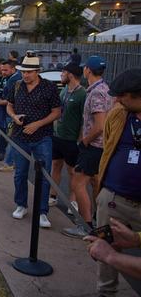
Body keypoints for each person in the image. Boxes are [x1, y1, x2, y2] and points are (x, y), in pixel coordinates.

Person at [88, 68, 141, 297]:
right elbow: (109, 143)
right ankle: (105, 294)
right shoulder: (119, 114)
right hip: (114, 197)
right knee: (106, 245)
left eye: (123, 96)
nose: (117, 99)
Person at [6, 56, 61, 228]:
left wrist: (38, 124)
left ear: (37, 71)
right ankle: (21, 204)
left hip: (42, 137)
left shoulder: (49, 88)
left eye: (29, 72)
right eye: (23, 72)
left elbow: (56, 112)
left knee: (44, 176)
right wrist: (14, 116)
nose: (25, 75)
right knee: (20, 173)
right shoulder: (17, 85)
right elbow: (9, 105)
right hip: (20, 136)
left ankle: (42, 211)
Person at [62, 56, 113, 239]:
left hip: (93, 146)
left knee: (78, 182)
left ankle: (86, 225)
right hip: (99, 147)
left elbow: (100, 124)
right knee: (94, 183)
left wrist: (85, 140)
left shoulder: (97, 92)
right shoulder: (105, 89)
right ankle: (98, 222)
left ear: (87, 71)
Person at [49, 62, 85, 211]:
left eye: (63, 72)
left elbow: (85, 119)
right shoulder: (64, 90)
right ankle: (53, 196)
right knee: (56, 166)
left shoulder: (82, 94)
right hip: (58, 136)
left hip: (72, 139)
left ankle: (73, 201)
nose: (61, 75)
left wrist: (81, 139)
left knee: (72, 172)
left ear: (70, 74)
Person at [0, 60, 22, 171]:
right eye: (2, 70)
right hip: (12, 112)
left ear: (13, 69)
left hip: (13, 113)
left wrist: (2, 102)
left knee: (13, 139)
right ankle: (14, 162)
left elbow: (12, 99)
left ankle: (9, 163)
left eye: (6, 70)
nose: (3, 72)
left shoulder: (14, 80)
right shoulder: (12, 78)